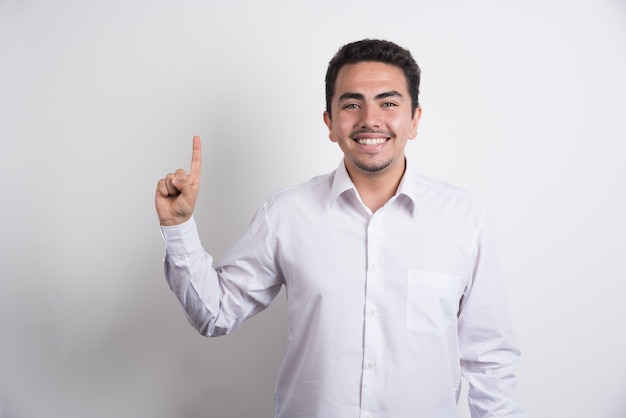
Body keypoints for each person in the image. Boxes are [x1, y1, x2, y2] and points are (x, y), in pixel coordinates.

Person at [155, 39, 526, 418]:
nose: (370, 119)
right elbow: (214, 314)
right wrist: (178, 225)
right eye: (351, 104)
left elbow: (489, 361)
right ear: (330, 123)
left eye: (388, 103)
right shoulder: (287, 214)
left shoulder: (463, 219)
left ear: (414, 120)